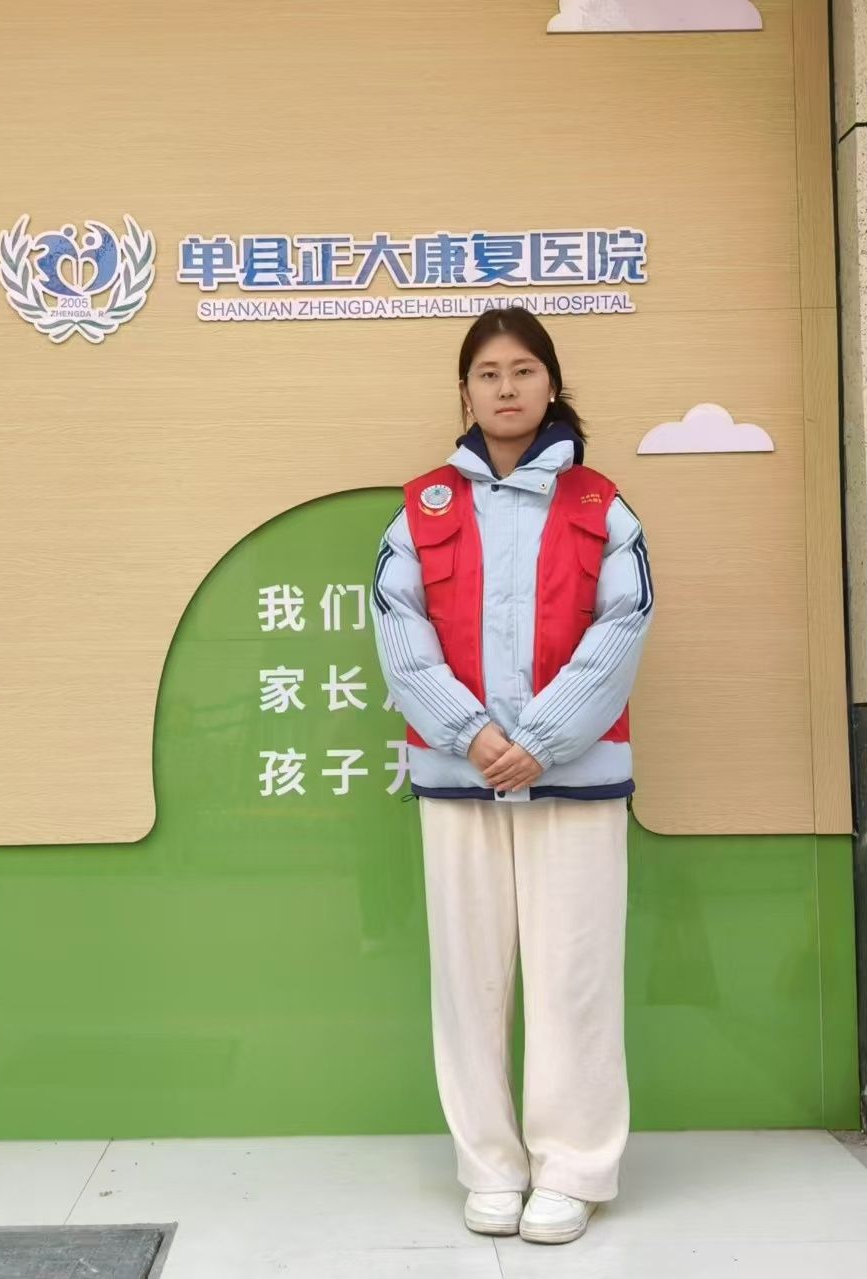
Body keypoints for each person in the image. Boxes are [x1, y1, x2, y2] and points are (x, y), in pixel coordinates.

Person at [371, 308, 653, 1246]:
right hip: (459, 779)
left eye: (523, 370)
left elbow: (623, 628)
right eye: (488, 373)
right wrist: (473, 734)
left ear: (551, 383)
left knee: (575, 975)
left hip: (575, 778)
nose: (505, 387)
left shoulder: (603, 506)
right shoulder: (421, 509)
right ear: (464, 392)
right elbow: (399, 633)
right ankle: (490, 1165)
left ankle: (572, 1168)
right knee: (469, 977)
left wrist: (540, 738)